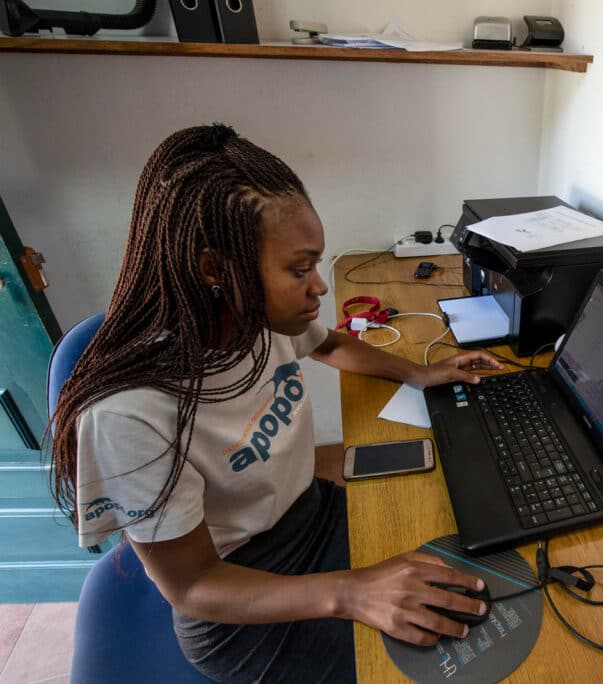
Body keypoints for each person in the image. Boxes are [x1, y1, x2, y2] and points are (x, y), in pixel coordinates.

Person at [48, 124, 504, 683]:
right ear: (216, 269)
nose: (319, 287)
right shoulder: (129, 414)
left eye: (316, 264)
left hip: (312, 516)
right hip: (240, 600)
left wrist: (419, 371)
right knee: (430, 666)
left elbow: (332, 343)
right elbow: (192, 586)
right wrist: (350, 592)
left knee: (484, 577)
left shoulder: (258, 319)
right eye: (298, 269)